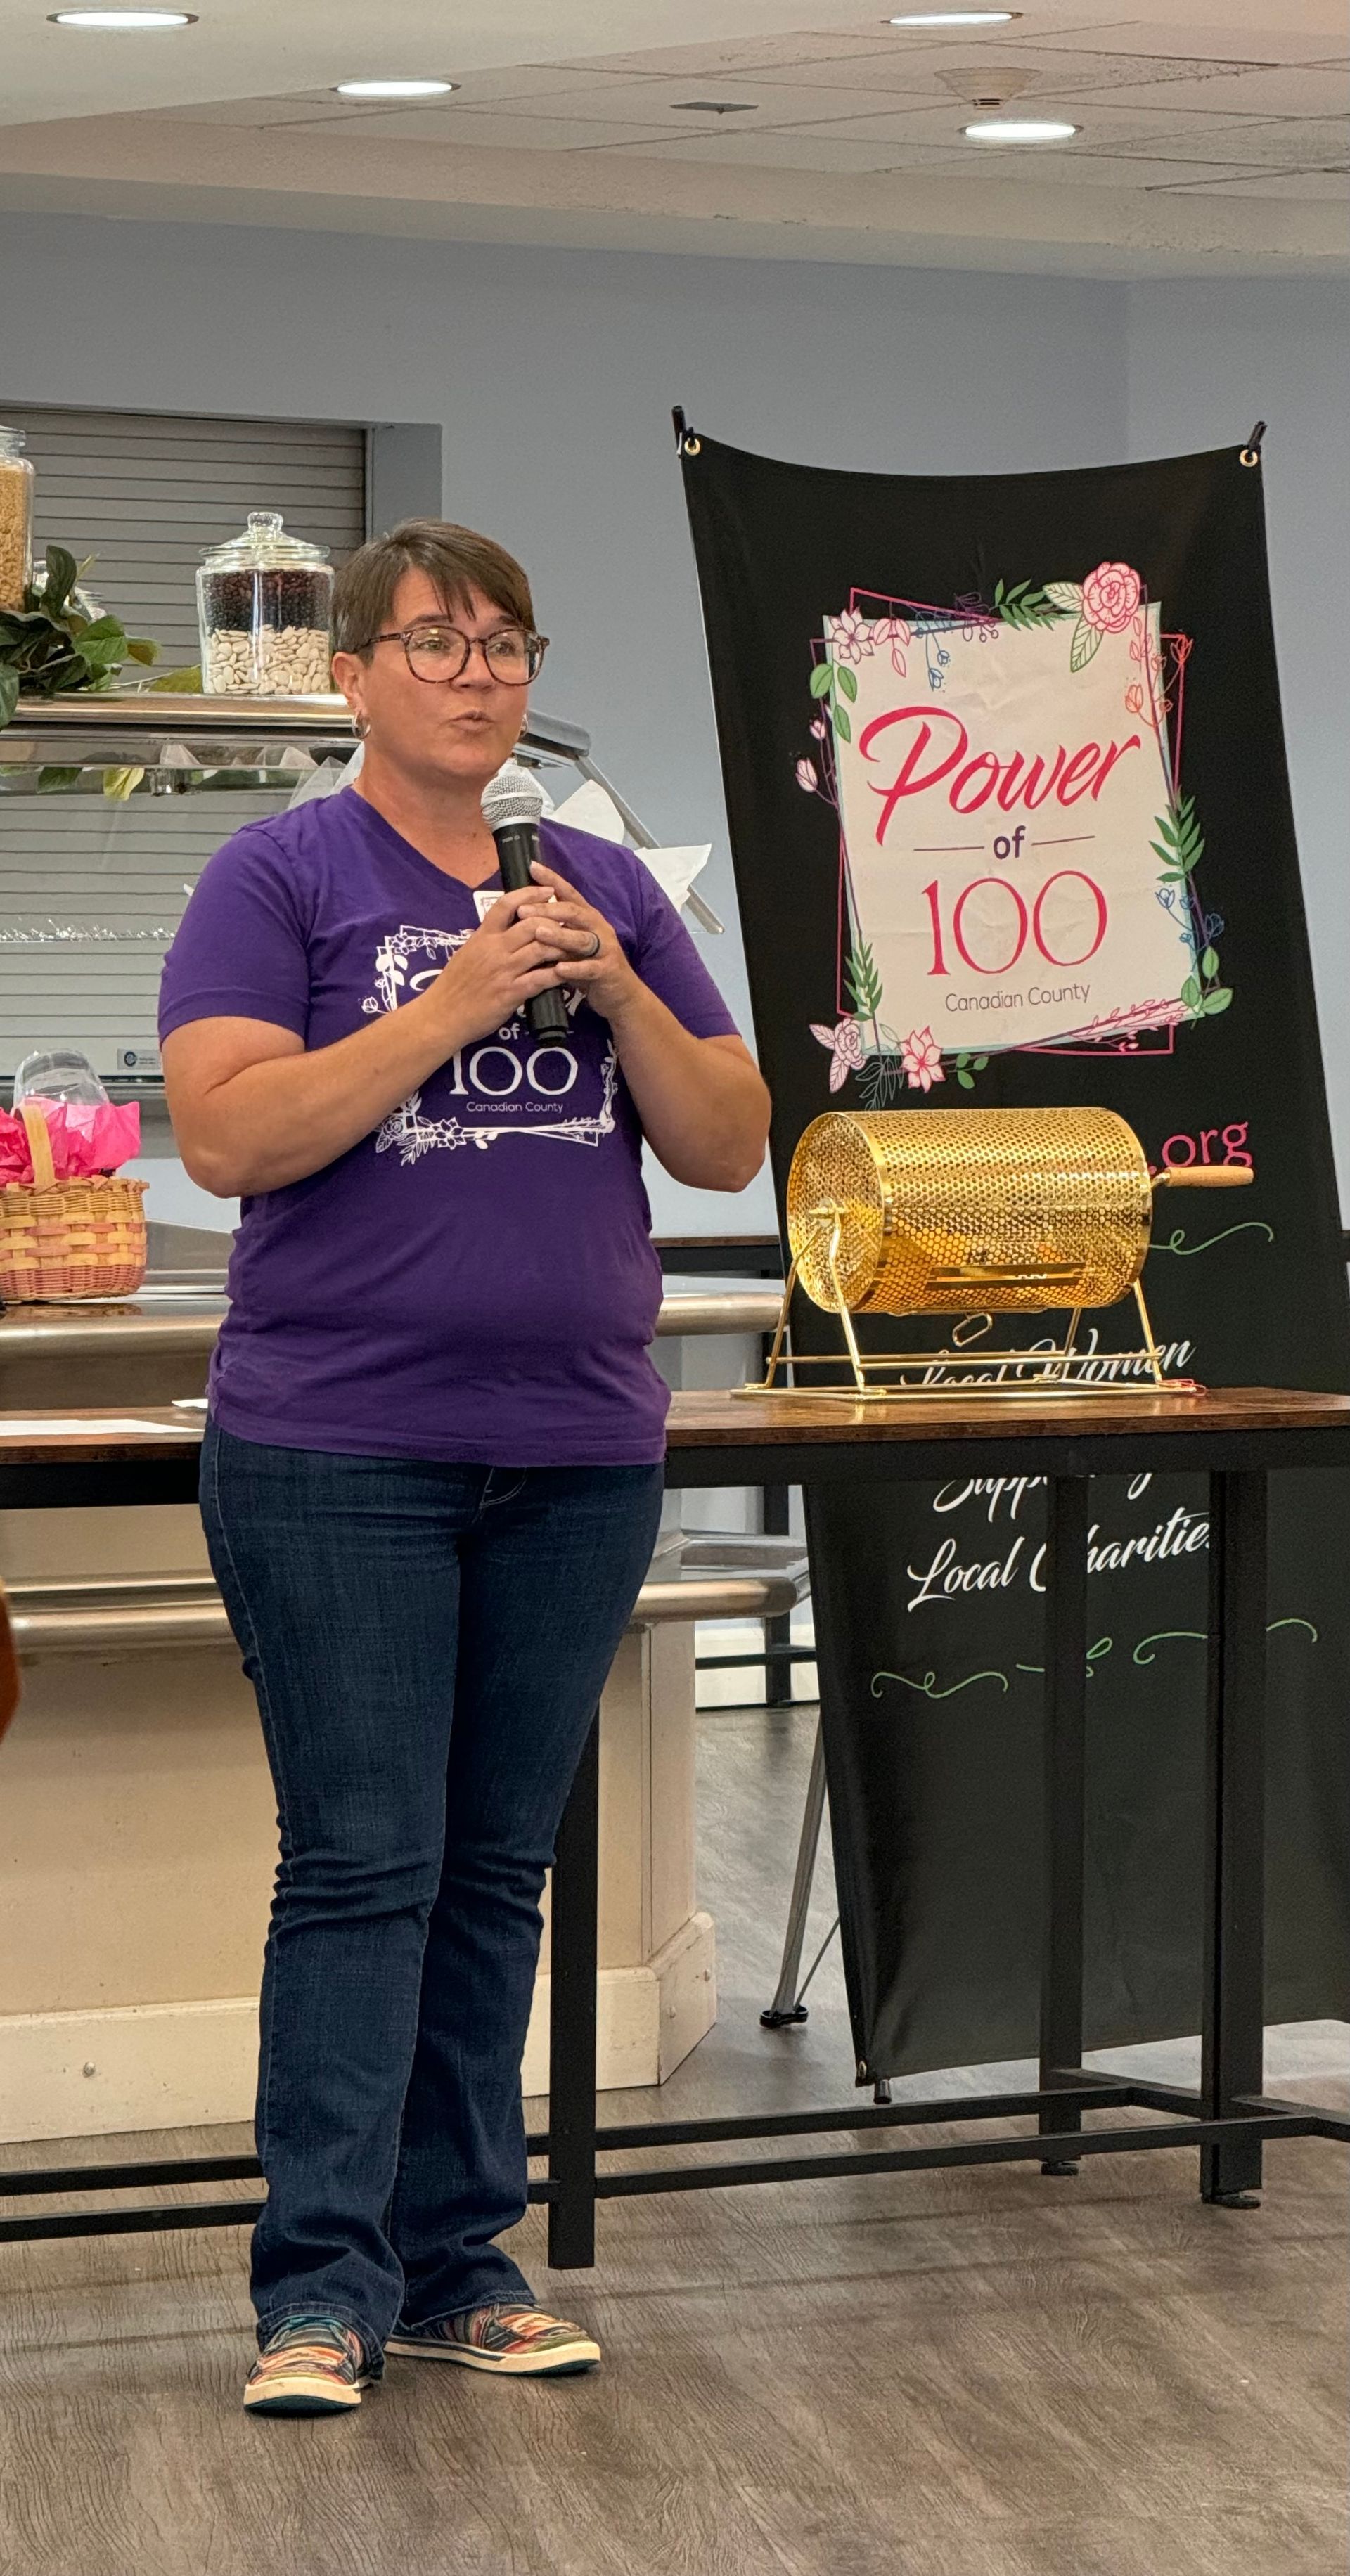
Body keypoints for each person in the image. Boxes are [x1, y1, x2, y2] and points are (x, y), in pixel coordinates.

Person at [160, 517, 769, 2418]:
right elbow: (232, 1136)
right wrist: (458, 1001)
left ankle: (456, 2265)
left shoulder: (597, 883)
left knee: (496, 1871)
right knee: (364, 1867)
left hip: (577, 1448)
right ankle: (319, 2291)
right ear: (352, 676)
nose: (477, 670)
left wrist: (618, 991)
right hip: (339, 1449)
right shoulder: (280, 873)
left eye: (506, 639)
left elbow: (735, 1139)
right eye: (434, 640)